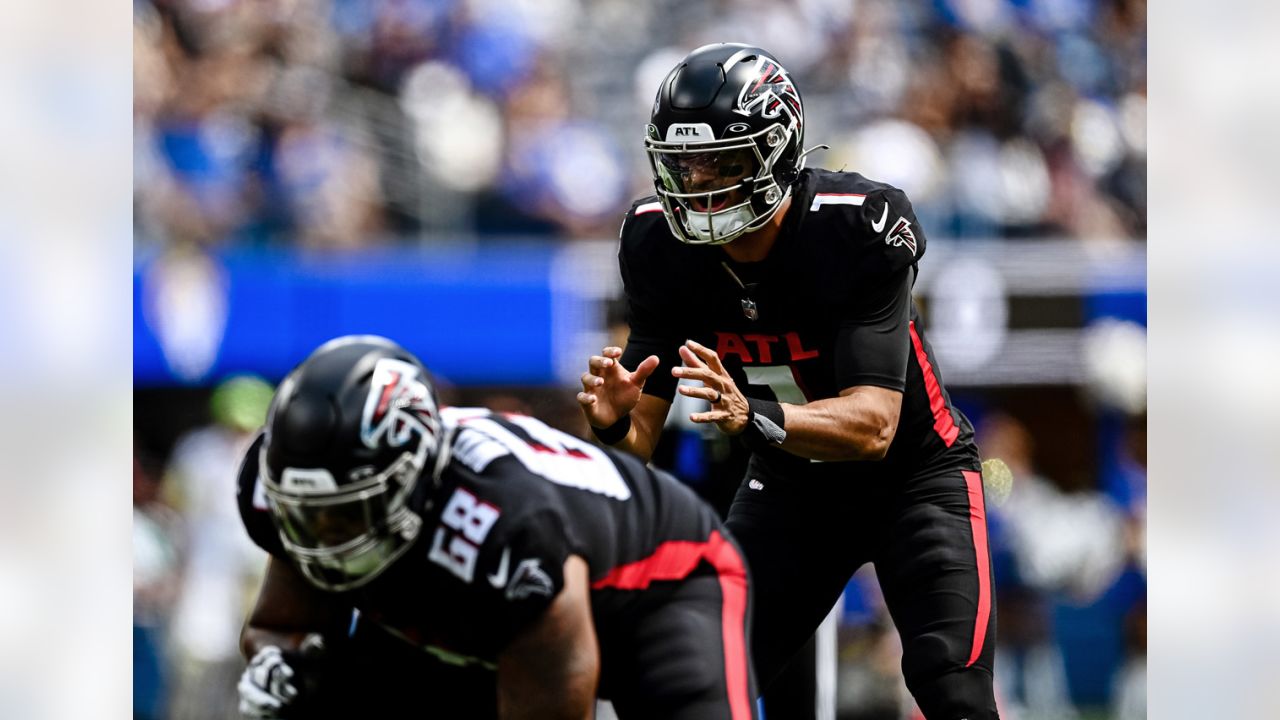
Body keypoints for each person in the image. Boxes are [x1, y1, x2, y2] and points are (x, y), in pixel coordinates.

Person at [577, 43, 998, 719]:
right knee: (693, 679)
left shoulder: (854, 225)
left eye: (721, 161)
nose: (698, 183)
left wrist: (753, 417)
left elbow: (874, 426)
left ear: (775, 150)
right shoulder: (658, 245)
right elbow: (636, 448)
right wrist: (608, 425)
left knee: (950, 681)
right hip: (793, 485)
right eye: (684, 165)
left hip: (914, 478)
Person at [235, 335, 756, 719]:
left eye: (347, 513)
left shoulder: (504, 526)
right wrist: (282, 667)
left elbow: (550, 699)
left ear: (413, 478)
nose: (328, 536)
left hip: (663, 580)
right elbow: (281, 626)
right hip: (484, 596)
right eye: (310, 516)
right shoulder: (297, 487)